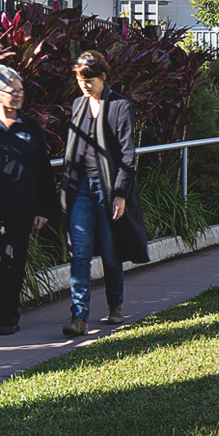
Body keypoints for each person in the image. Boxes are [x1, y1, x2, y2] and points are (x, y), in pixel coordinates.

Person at [0, 64, 58, 336]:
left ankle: (7, 318)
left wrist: (44, 208)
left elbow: (43, 170)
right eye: (12, 91)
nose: (18, 96)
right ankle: (6, 301)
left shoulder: (30, 126)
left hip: (22, 204)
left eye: (20, 90)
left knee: (13, 260)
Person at [60, 49, 149, 337]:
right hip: (80, 189)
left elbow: (127, 155)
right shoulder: (78, 105)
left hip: (108, 189)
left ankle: (115, 305)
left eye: (90, 79)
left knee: (111, 254)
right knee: (80, 254)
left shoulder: (119, 106)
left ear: (103, 77)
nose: (85, 85)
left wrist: (120, 193)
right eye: (80, 79)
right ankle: (79, 316)